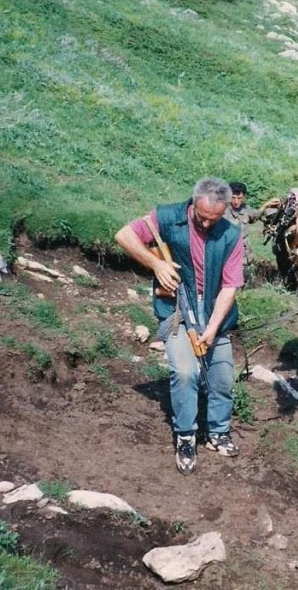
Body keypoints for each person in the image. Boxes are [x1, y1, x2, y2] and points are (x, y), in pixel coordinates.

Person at [115, 177, 244, 476]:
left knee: (222, 376)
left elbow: (230, 287)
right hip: (176, 312)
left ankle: (218, 432)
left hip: (214, 312)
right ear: (193, 203)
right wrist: (156, 264)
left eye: (215, 219)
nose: (208, 225)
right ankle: (186, 435)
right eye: (202, 218)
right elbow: (124, 235)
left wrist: (212, 329)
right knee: (185, 372)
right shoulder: (168, 216)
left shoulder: (232, 234)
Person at [225, 182, 260, 268]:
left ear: (244, 197)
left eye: (239, 198)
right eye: (233, 198)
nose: (236, 201)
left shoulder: (246, 209)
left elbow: (256, 215)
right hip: (227, 255)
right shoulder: (222, 211)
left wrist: (267, 205)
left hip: (244, 256)